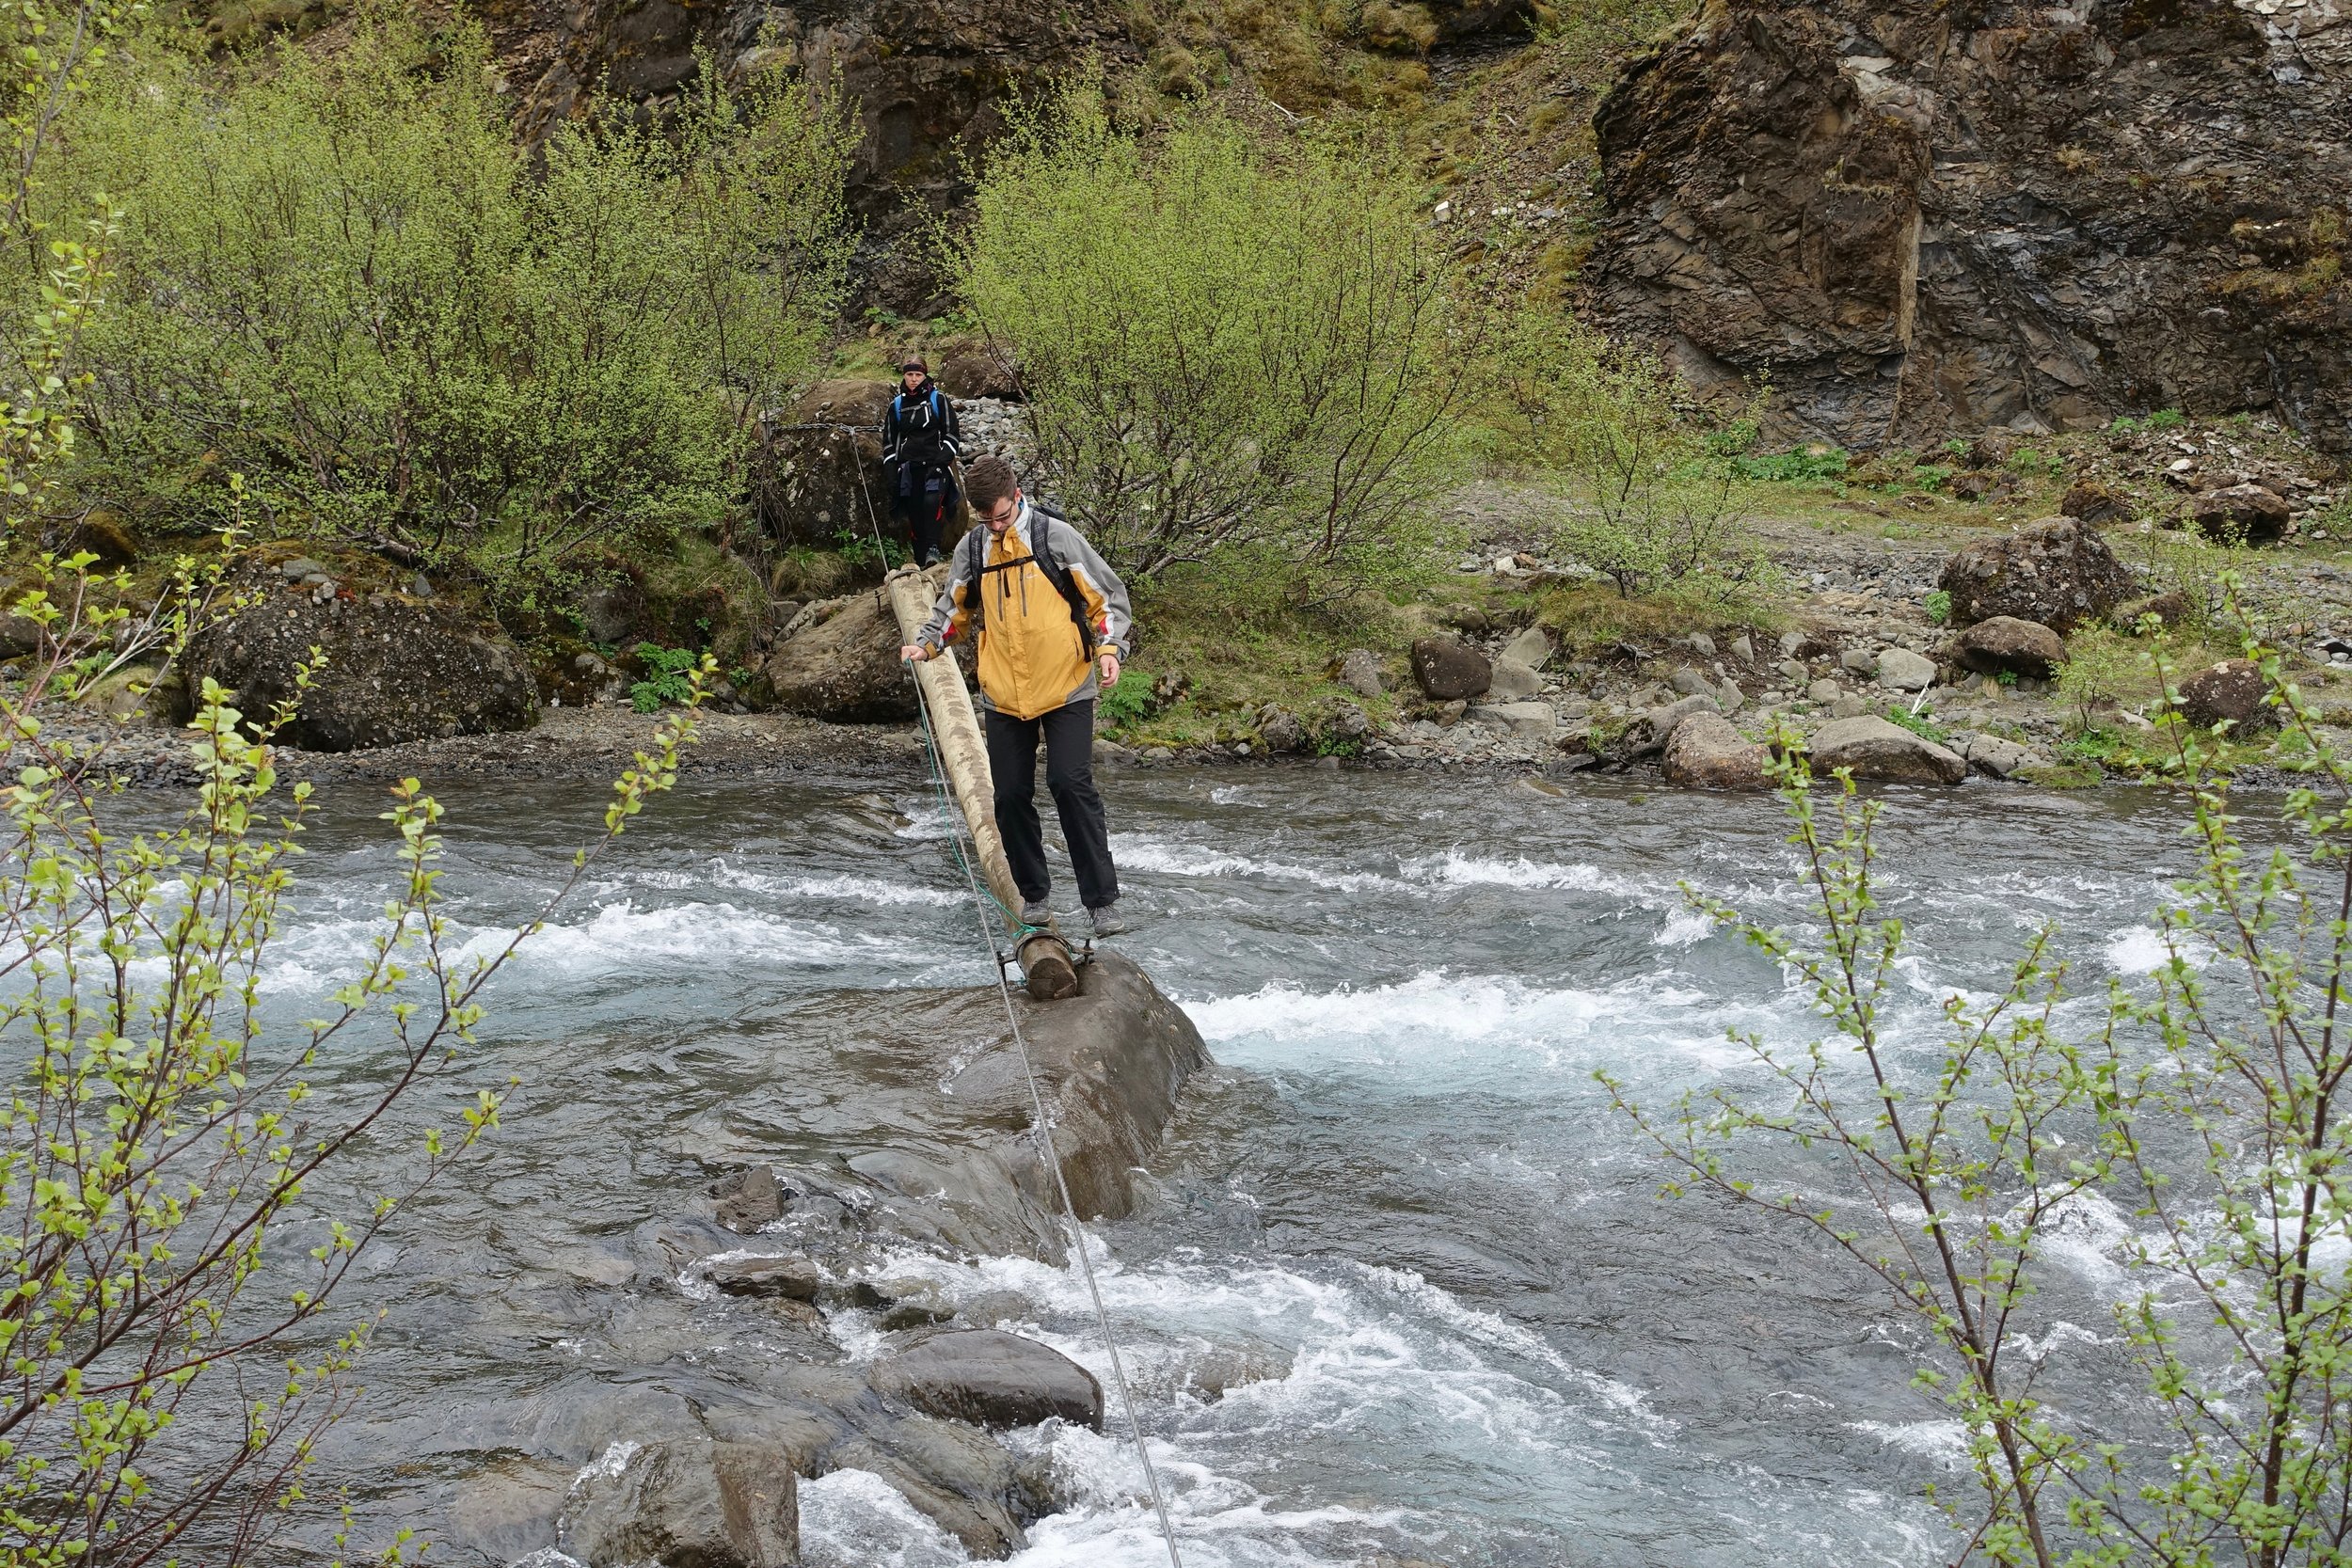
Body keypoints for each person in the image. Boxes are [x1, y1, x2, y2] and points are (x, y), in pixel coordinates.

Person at [899, 456, 1135, 937]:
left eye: (1001, 515)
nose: (995, 524)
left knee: (1070, 786)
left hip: (1067, 683)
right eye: (985, 518)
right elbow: (955, 608)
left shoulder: (1055, 537)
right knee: (1008, 797)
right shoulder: (974, 548)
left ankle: (1102, 904)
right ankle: (1034, 895)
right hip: (1004, 692)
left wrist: (1110, 649)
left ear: (1017, 494)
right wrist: (926, 643)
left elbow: (1107, 598)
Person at [881, 356, 961, 566]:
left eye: (918, 375)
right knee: (914, 511)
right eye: (910, 375)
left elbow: (952, 434)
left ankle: (933, 550)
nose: (914, 379)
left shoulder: (938, 399)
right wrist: (891, 474)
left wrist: (941, 462)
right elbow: (889, 442)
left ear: (925, 376)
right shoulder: (896, 406)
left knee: (931, 501)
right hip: (909, 468)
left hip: (935, 466)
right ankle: (919, 560)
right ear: (904, 376)